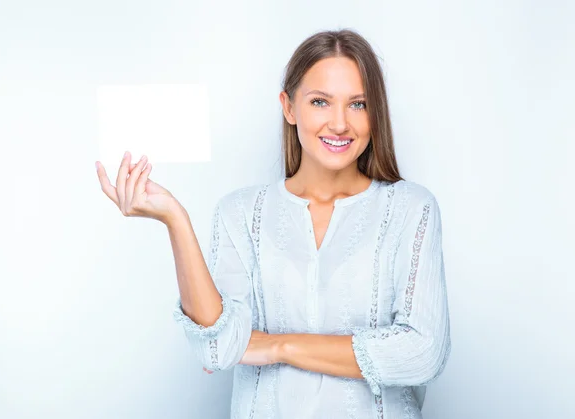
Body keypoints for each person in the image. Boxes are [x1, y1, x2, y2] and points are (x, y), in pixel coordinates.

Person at [95, 28, 451, 419]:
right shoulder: (241, 213)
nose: (339, 124)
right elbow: (217, 348)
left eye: (358, 104)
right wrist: (175, 220)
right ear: (289, 107)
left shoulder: (410, 209)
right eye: (320, 102)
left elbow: (423, 353)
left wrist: (279, 346)